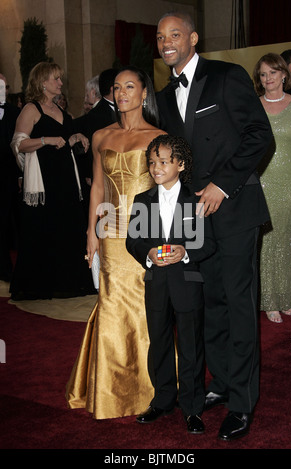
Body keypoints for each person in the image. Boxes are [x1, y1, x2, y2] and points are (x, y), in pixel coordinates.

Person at [155, 12, 273, 441]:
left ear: (193, 37)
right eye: (160, 37)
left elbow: (260, 136)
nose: (166, 43)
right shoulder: (165, 95)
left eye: (174, 35)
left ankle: (242, 403)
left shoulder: (226, 76)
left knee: (240, 309)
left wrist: (222, 185)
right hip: (195, 218)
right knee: (213, 306)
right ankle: (221, 383)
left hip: (237, 210)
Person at [65, 66, 166, 420]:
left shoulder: (160, 136)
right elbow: (97, 187)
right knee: (110, 302)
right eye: (117, 87)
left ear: (143, 94)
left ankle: (154, 387)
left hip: (146, 231)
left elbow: (166, 191)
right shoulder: (100, 136)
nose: (122, 93)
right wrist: (91, 231)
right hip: (109, 230)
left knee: (147, 305)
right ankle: (110, 391)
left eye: (130, 86)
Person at [126, 134, 216, 434]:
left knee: (190, 347)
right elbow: (132, 240)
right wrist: (148, 253)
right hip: (156, 282)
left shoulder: (195, 200)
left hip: (187, 282)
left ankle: (192, 407)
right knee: (160, 343)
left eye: (164, 161)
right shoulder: (143, 200)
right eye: (152, 162)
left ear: (180, 164)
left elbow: (209, 243)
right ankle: (163, 399)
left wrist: (186, 251)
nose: (156, 167)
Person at [9, 62, 95, 300]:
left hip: (66, 180)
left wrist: (76, 136)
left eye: (60, 78)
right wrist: (45, 140)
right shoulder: (31, 109)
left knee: (68, 229)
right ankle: (42, 284)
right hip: (44, 183)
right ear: (43, 82)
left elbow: (64, 140)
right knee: (44, 229)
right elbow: (18, 144)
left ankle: (69, 282)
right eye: (56, 79)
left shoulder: (62, 110)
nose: (60, 83)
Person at [253, 53, 291, 323]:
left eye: (273, 72)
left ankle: (283, 296)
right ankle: (267, 299)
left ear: (285, 74)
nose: (268, 78)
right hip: (261, 181)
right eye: (263, 74)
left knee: (285, 240)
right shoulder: (253, 106)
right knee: (264, 240)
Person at [72, 69, 119, 218]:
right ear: (113, 88)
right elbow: (92, 150)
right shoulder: (95, 115)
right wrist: (90, 175)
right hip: (104, 181)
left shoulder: (124, 109)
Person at [0, 73, 20, 282]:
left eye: (5, 87)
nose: (3, 91)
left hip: (11, 177)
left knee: (10, 222)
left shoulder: (16, 113)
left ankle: (10, 268)